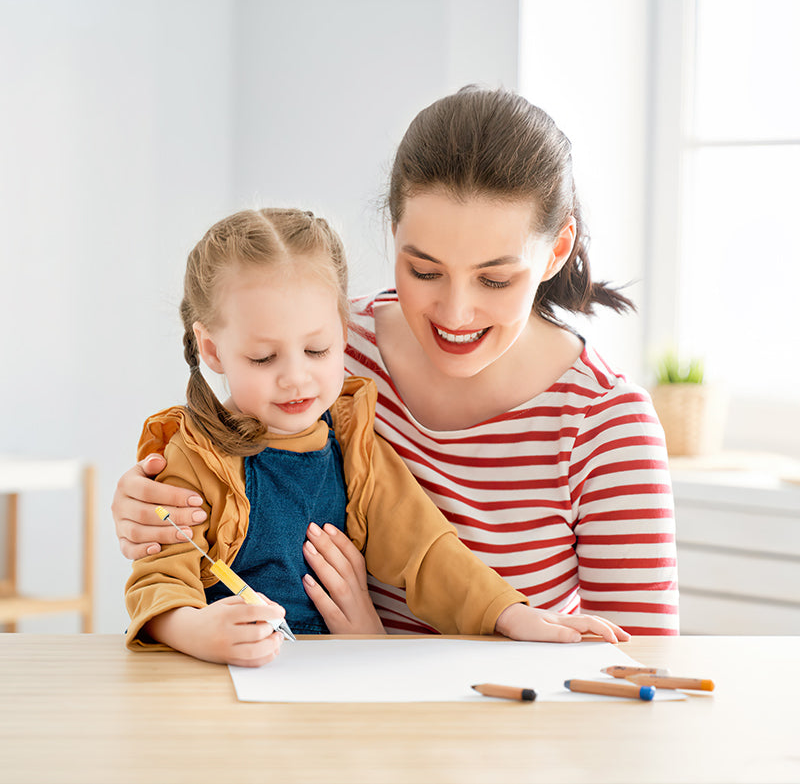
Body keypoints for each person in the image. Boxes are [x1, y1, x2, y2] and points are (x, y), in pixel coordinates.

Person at [114, 86, 678, 638]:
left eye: (495, 278)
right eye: (425, 271)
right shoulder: (329, 350)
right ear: (395, 236)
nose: (456, 313)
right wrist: (147, 506)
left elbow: (634, 686)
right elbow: (209, 477)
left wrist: (372, 648)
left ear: (556, 250)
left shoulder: (605, 425)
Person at [126, 206, 629, 667]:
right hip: (217, 693)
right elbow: (157, 580)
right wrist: (196, 631)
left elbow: (427, 552)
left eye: (318, 351)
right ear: (212, 350)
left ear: (344, 333)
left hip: (331, 690)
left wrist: (510, 614)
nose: (296, 378)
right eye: (264, 358)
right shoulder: (191, 456)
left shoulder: (355, 446)